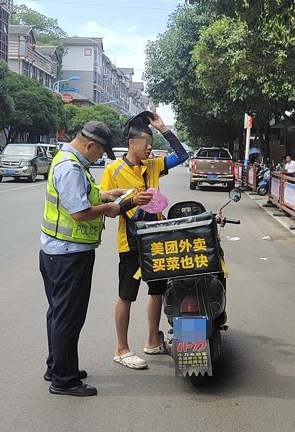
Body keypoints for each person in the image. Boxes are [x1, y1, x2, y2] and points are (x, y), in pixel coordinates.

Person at [39, 120, 126, 397]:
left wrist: (104, 194)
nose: (100, 157)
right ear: (90, 145)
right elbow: (79, 213)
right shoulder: (71, 167)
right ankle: (64, 380)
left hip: (58, 252)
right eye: (100, 152)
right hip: (69, 255)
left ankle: (57, 366)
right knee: (68, 317)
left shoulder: (67, 160)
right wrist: (110, 208)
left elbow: (79, 197)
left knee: (58, 313)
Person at [101, 111, 189, 370]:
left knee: (157, 289)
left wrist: (163, 129)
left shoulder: (153, 165)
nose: (150, 149)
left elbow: (182, 156)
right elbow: (104, 202)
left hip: (156, 237)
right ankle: (121, 349)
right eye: (145, 145)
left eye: (152, 145)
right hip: (130, 240)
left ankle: (152, 341)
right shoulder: (113, 170)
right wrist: (130, 201)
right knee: (126, 294)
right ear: (131, 143)